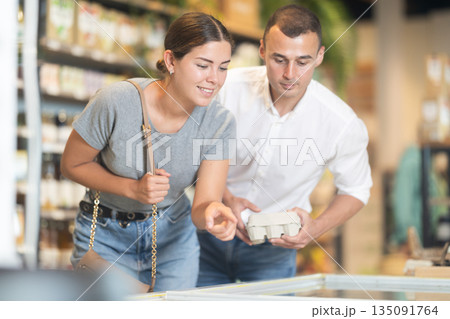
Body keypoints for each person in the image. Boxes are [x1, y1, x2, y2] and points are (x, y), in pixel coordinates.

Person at [197, 5, 372, 286]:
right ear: (263, 50)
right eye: (280, 59)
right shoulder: (226, 89)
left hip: (274, 249)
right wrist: (226, 196)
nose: (290, 74)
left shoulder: (341, 123)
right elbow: (195, 151)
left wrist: (314, 228)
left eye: (303, 62)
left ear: (320, 56)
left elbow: (356, 190)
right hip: (206, 234)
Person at [61, 12, 237, 292]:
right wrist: (132, 189)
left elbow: (203, 205)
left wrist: (212, 213)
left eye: (223, 68)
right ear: (171, 61)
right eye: (203, 65)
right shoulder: (117, 101)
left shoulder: (220, 122)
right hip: (106, 237)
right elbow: (72, 165)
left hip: (174, 240)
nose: (214, 79)